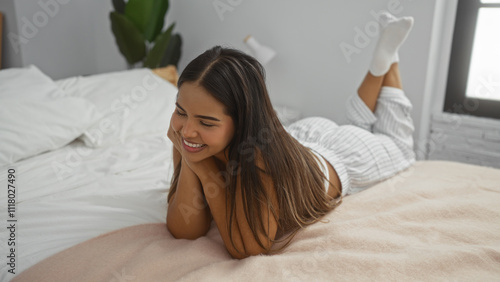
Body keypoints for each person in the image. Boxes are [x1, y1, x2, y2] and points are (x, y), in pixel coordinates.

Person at [166, 12, 415, 259]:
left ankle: (388, 62)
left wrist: (205, 169)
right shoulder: (191, 137)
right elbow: (184, 229)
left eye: (207, 123)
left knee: (400, 147)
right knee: (357, 126)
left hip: (338, 157)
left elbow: (247, 248)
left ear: (242, 121)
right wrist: (191, 161)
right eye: (180, 111)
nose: (187, 130)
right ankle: (379, 64)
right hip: (301, 137)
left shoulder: (261, 161)